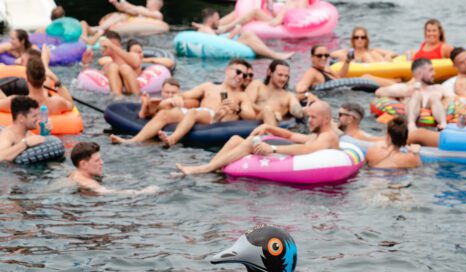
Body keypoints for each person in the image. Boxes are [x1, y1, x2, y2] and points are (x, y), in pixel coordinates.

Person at [110, 59, 255, 146]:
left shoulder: (241, 95)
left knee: (194, 112)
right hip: (202, 113)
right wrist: (177, 98)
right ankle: (133, 141)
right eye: (238, 72)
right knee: (166, 113)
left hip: (215, 117)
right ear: (228, 71)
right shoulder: (209, 87)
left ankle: (172, 139)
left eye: (245, 75)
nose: (241, 77)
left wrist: (237, 108)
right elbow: (186, 94)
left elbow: (251, 116)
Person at [176, 99, 337, 176]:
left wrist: (272, 148)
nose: (309, 120)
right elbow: (292, 135)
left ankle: (202, 169)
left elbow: (307, 149)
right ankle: (210, 168)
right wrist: (268, 127)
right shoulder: (318, 135)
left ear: (326, 119)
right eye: (309, 117)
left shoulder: (328, 137)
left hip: (306, 170)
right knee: (236, 139)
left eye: (313, 117)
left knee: (252, 144)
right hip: (299, 158)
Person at [377, 58, 452, 131]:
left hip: (433, 127)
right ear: (420, 73)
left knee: (434, 97)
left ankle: (443, 124)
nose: (434, 73)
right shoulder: (406, 88)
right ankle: (411, 124)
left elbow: (454, 99)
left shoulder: (438, 88)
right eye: (430, 70)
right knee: (416, 94)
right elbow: (379, 92)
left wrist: (446, 103)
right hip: (410, 124)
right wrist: (405, 93)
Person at [192, 8, 294, 60]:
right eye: (217, 19)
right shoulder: (206, 30)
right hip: (222, 49)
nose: (219, 22)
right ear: (211, 19)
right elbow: (218, 45)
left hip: (221, 45)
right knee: (248, 36)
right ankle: (275, 55)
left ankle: (271, 54)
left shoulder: (205, 29)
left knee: (247, 34)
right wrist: (233, 33)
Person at [68, 141, 157, 194]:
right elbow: (110, 193)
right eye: (97, 160)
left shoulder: (75, 173)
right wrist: (142, 192)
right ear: (83, 164)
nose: (102, 162)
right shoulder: (90, 184)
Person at [0, 57, 73, 115]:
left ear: (27, 79)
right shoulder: (57, 103)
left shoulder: (15, 103)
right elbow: (71, 104)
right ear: (44, 79)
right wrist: (56, 80)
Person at [247, 59, 303, 126]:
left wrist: (303, 110)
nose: (283, 79)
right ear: (270, 72)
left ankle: (270, 135)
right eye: (280, 75)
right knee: (267, 110)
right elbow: (246, 104)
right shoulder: (257, 85)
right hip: (252, 121)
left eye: (286, 76)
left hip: (273, 124)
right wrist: (272, 112)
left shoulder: (288, 96)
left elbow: (296, 110)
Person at [0, 96, 46, 162]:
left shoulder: (28, 133)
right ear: (21, 118)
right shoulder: (8, 136)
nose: (38, 118)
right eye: (34, 116)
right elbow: (1, 156)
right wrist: (25, 143)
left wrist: (45, 132)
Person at [331, 26, 397, 63]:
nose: (360, 39)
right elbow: (332, 54)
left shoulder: (372, 51)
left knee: (372, 54)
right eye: (356, 37)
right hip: (360, 74)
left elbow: (394, 53)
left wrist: (388, 56)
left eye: (363, 37)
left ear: (366, 40)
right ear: (353, 40)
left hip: (378, 69)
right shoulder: (349, 52)